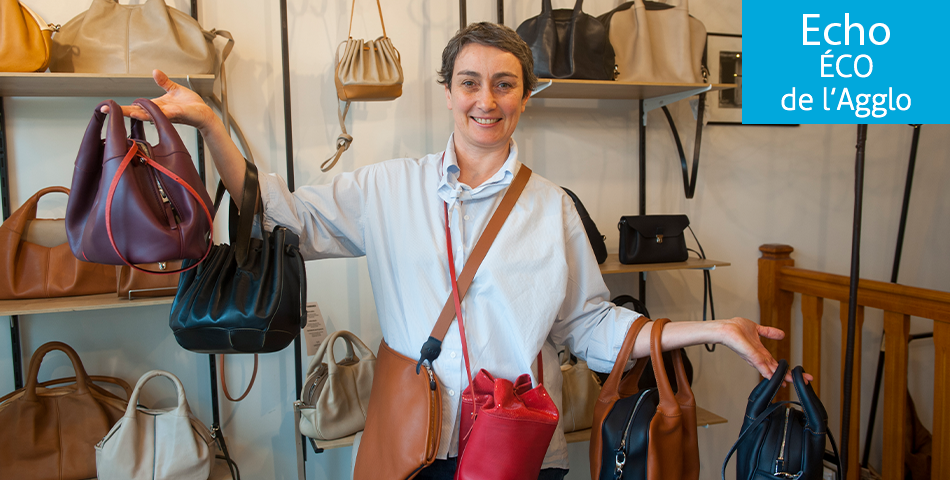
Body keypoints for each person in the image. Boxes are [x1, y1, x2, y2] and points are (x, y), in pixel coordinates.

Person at [110, 21, 797, 480]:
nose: (486, 100)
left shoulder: (552, 208)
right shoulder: (386, 188)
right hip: (415, 439)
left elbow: (590, 326)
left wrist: (711, 329)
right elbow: (276, 211)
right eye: (470, 82)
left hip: (518, 441)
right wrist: (205, 120)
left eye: (505, 84)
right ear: (447, 93)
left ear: (526, 98)